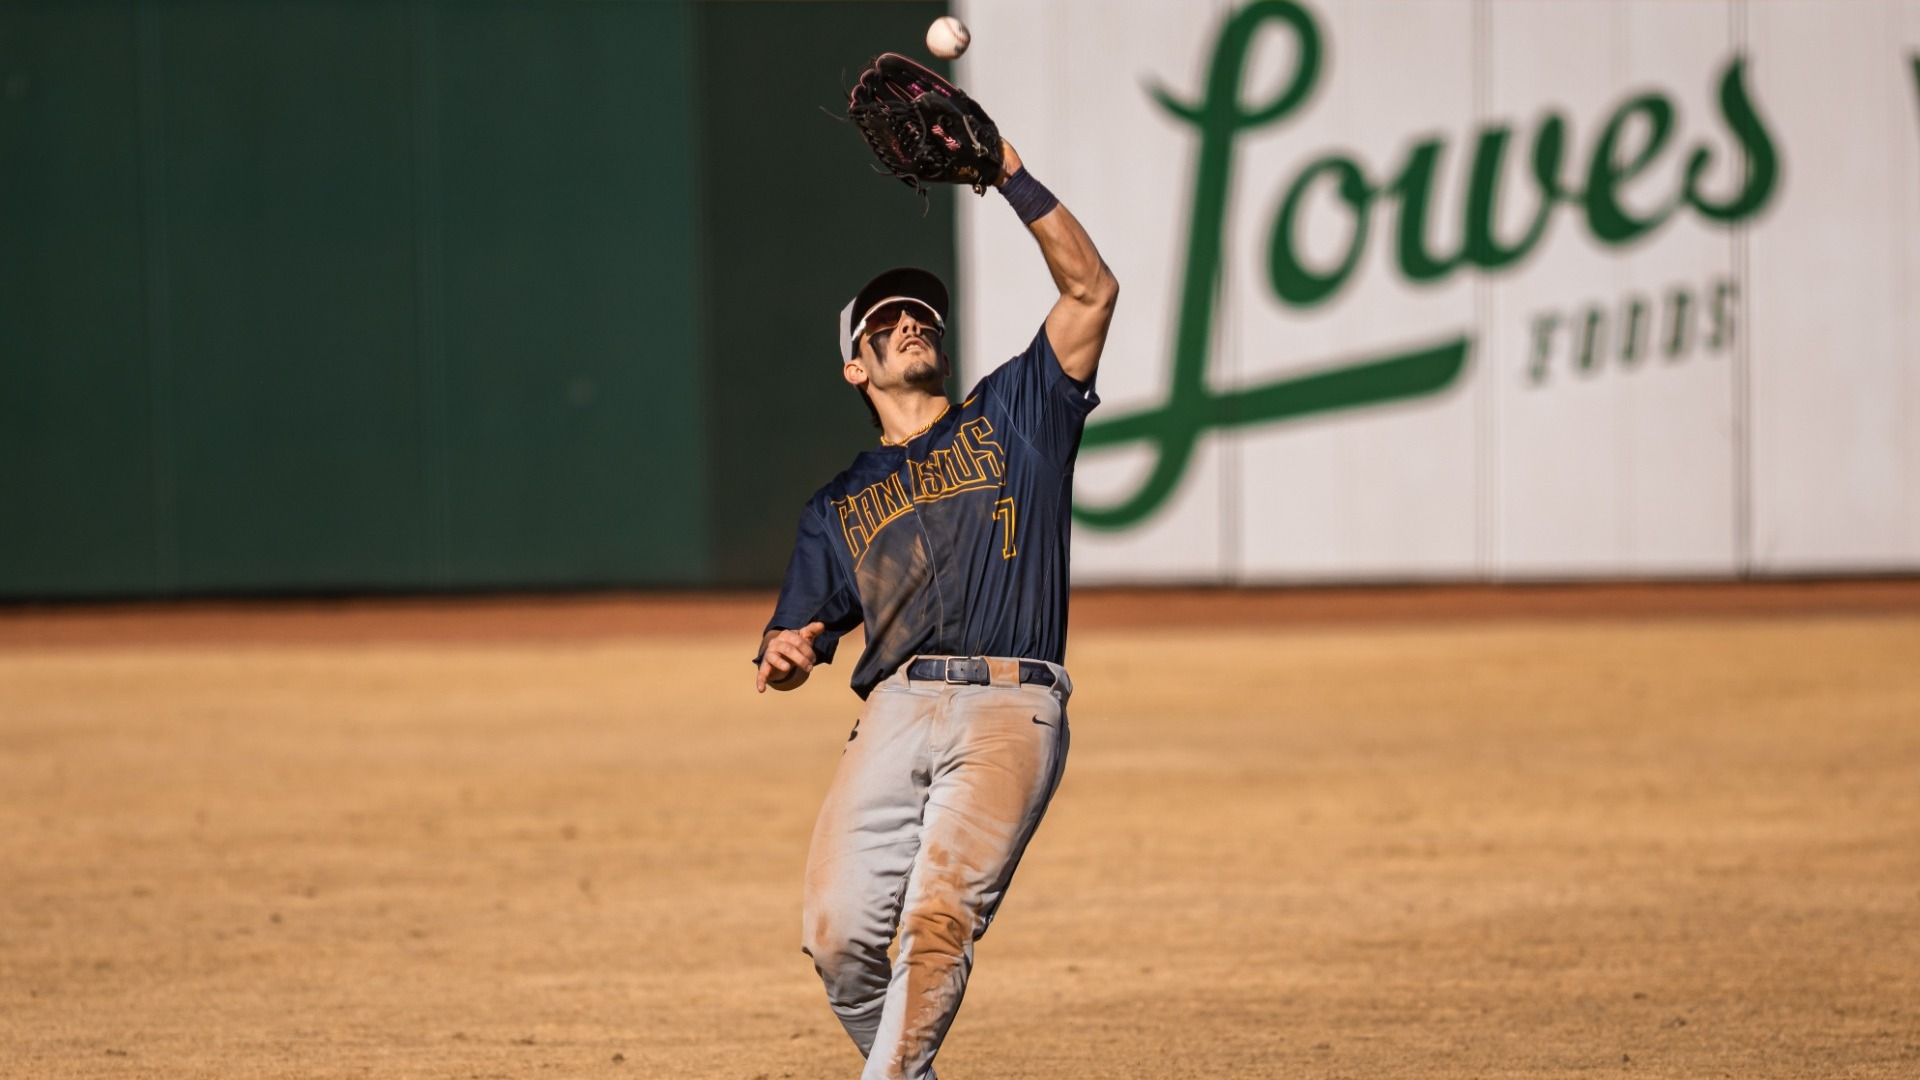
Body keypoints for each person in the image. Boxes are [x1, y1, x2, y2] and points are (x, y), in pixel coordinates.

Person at [752, 138, 1117, 1079]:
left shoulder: (1017, 416)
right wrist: (788, 653)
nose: (912, 320)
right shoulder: (836, 505)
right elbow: (793, 636)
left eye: (921, 312)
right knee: (838, 943)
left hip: (1009, 704)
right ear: (856, 367)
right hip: (895, 711)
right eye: (887, 320)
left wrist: (1004, 172)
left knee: (936, 923)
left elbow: (1091, 293)